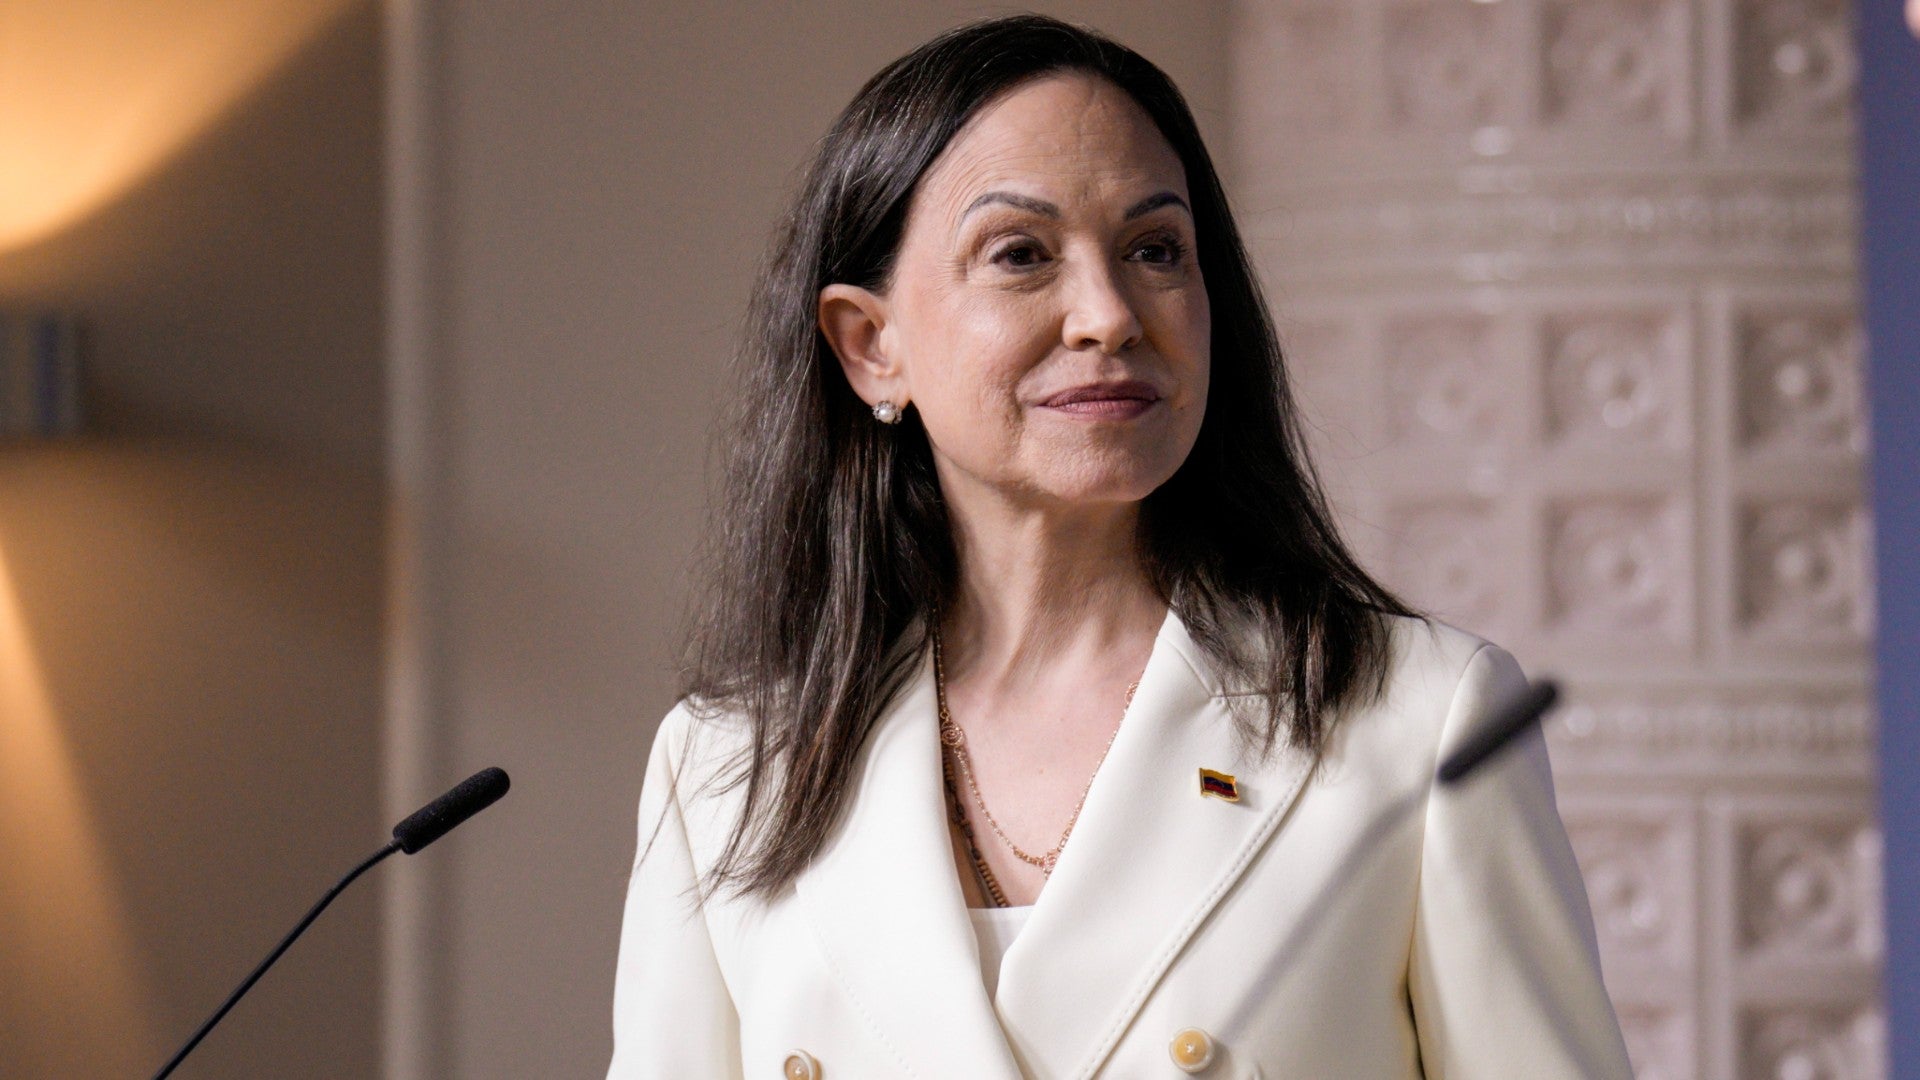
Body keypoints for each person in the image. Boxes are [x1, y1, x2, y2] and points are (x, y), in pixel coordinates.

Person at [608, 14, 1631, 1079]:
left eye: (1155, 250)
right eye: (1021, 255)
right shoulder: (727, 769)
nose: (1108, 314)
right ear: (873, 348)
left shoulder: (1416, 720)